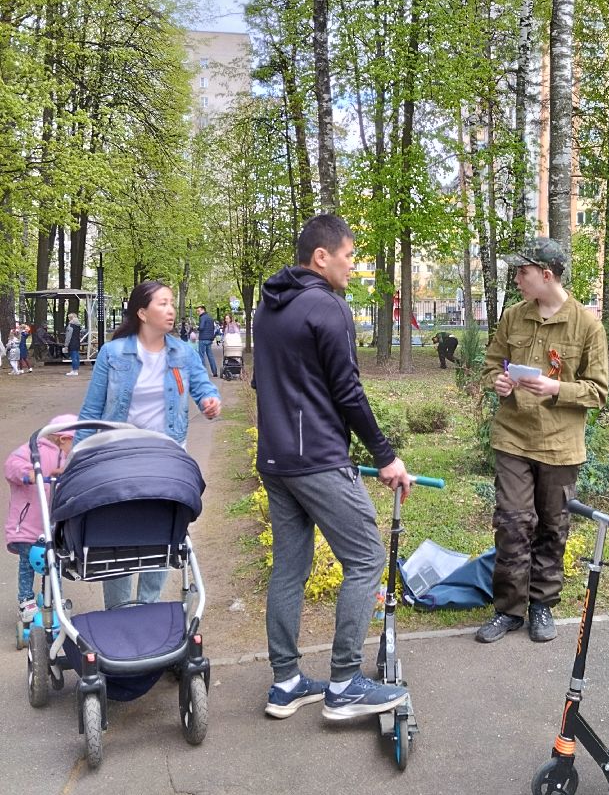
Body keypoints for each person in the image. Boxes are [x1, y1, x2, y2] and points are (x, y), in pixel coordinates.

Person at [253, 213, 412, 722]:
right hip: (317, 459)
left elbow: (264, 383)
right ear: (321, 257)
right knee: (366, 557)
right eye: (348, 256)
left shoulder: (268, 306)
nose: (352, 265)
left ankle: (286, 682)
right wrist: (385, 456)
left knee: (289, 568)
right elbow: (348, 391)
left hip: (275, 458)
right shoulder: (328, 306)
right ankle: (344, 683)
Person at [476, 238, 609, 645]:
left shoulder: (587, 325)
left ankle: (541, 605)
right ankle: (508, 609)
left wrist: (556, 388)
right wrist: (498, 382)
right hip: (513, 437)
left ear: (546, 275)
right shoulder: (513, 317)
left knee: (553, 526)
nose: (517, 279)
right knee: (512, 523)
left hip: (560, 445)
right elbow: (491, 365)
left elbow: (598, 391)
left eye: (523, 272)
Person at [77, 281, 221, 608]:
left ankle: (149, 609)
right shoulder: (113, 353)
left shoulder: (183, 352)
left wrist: (211, 402)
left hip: (166, 459)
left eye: (172, 303)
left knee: (162, 534)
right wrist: (75, 460)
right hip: (117, 457)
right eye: (163, 303)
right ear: (142, 312)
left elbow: (204, 388)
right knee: (116, 538)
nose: (171, 310)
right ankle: (117, 613)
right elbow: (91, 411)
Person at [5, 414, 77, 624]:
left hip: (55, 525)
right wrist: (28, 474)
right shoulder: (33, 450)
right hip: (29, 524)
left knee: (54, 563)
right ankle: (26, 600)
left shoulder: (70, 459)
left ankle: (53, 597)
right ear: (63, 438)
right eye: (75, 442)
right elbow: (11, 465)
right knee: (28, 562)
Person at [195, 304, 217, 377]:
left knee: (201, 356)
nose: (198, 312)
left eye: (198, 311)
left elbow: (201, 327)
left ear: (203, 310)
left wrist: (197, 328)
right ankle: (214, 372)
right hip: (209, 339)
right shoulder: (210, 317)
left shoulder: (202, 317)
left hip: (203, 339)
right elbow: (213, 328)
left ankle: (203, 373)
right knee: (210, 356)